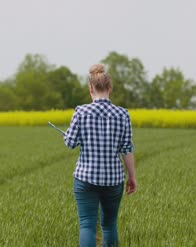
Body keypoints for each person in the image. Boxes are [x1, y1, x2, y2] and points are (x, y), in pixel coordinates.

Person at [63, 64, 137, 247]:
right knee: (109, 224)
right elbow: (127, 148)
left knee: (87, 225)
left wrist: (68, 134)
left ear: (90, 88)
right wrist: (132, 177)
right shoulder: (123, 114)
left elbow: (70, 143)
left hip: (85, 178)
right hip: (113, 180)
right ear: (110, 88)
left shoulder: (80, 112)